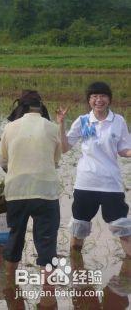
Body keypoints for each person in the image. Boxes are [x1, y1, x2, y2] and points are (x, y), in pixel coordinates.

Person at [57, 81, 131, 255]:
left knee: (123, 227)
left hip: (111, 184)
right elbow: (65, 148)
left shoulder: (118, 121)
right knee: (79, 228)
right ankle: (76, 268)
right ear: (89, 100)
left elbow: (123, 150)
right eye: (94, 96)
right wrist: (61, 124)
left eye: (103, 96)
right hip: (86, 184)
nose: (99, 100)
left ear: (109, 99)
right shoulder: (82, 121)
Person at [0, 91, 62, 279]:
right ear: (41, 107)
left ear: (21, 107)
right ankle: (48, 294)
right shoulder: (52, 128)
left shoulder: (10, 128)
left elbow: (3, 161)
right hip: (46, 193)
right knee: (47, 243)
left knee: (15, 237)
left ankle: (11, 284)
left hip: (17, 193)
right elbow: (55, 161)